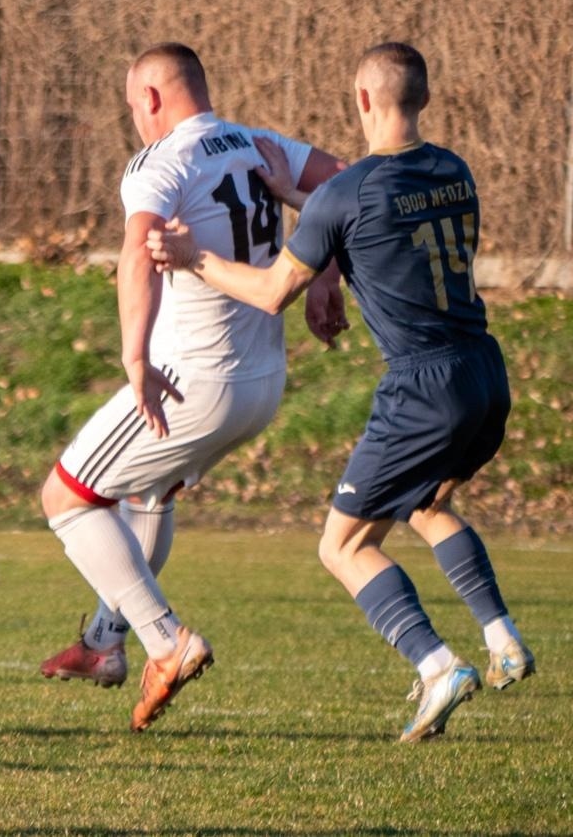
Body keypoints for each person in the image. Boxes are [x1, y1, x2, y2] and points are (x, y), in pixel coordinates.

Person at [148, 42, 534, 743]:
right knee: (428, 503)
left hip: (423, 386)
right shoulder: (453, 169)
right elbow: (375, 216)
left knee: (343, 546)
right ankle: (501, 636)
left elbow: (271, 293)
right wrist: (298, 196)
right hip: (484, 371)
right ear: (424, 96)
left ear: (361, 100)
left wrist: (193, 256)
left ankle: (437, 663)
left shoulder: (346, 194)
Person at [38, 42, 348, 732]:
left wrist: (133, 357)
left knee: (66, 496)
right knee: (149, 493)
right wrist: (326, 274)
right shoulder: (258, 143)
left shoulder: (161, 160)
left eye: (131, 106)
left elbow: (137, 254)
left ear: (151, 97)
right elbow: (347, 186)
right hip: (262, 387)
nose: (134, 121)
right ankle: (102, 644)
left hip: (193, 381)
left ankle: (165, 641)